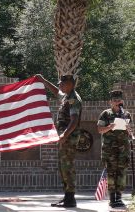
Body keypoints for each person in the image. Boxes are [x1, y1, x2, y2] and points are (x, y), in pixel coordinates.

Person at [36, 74, 82, 208]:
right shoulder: (67, 96)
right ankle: (67, 197)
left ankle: (70, 199)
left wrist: (64, 135)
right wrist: (44, 81)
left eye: (63, 84)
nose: (60, 86)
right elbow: (57, 92)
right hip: (65, 138)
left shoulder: (74, 99)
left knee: (67, 167)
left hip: (69, 139)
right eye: (60, 84)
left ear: (70, 84)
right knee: (63, 167)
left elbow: (74, 120)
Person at [97, 90, 132, 209]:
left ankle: (119, 198)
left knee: (121, 173)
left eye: (119, 100)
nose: (118, 102)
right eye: (115, 100)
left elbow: (130, 133)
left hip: (123, 149)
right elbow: (99, 130)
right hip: (109, 150)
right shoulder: (105, 114)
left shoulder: (126, 114)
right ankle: (112, 199)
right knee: (111, 173)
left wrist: (129, 129)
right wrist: (109, 127)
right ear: (110, 102)